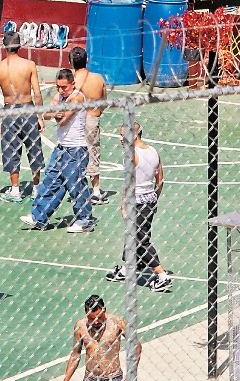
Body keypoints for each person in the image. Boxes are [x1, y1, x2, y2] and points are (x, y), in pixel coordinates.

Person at [21, 69, 94, 233]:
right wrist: (56, 113)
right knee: (50, 181)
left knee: (76, 185)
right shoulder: (60, 97)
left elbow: (63, 120)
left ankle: (84, 219)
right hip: (61, 147)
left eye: (64, 87)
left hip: (75, 149)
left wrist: (57, 113)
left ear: (72, 84)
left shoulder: (77, 97)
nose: (61, 90)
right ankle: (39, 216)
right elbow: (47, 114)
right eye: (58, 87)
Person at [105, 123, 172, 292]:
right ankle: (126, 269)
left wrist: (123, 205)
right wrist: (155, 199)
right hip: (149, 200)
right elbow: (160, 179)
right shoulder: (153, 152)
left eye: (123, 135)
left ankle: (162, 276)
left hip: (137, 202)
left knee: (140, 239)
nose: (120, 139)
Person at [0, 31, 45, 203]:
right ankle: (36, 188)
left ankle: (15, 189)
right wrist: (40, 116)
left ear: (4, 46)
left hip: (9, 110)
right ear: (20, 46)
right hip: (28, 108)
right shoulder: (29, 65)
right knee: (33, 148)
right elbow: (37, 94)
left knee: (11, 149)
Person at [70, 46, 109, 205]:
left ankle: (74, 188)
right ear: (87, 60)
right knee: (93, 153)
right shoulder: (98, 78)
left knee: (73, 153)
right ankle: (95, 191)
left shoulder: (72, 81)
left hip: (75, 120)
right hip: (92, 118)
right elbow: (104, 101)